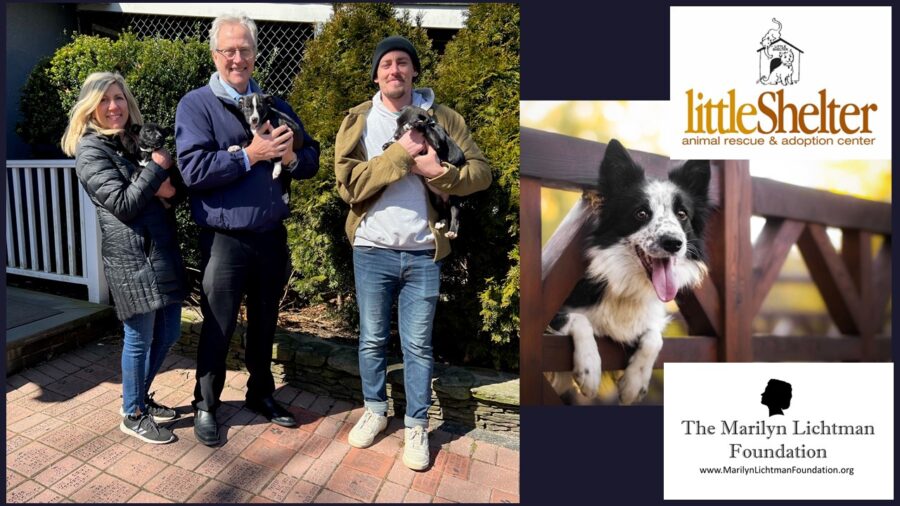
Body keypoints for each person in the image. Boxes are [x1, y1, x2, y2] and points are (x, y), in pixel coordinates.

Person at [335, 35, 492, 470]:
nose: (394, 71)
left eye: (402, 63)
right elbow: (350, 186)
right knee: (370, 340)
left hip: (424, 252)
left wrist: (440, 173)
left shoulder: (443, 117)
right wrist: (400, 157)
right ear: (376, 74)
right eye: (386, 64)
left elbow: (481, 174)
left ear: (414, 71)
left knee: (418, 345)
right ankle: (374, 410)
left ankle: (417, 426)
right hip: (372, 248)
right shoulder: (358, 121)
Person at [175, 14, 319, 446]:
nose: (237, 58)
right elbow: (193, 170)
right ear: (216, 55)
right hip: (225, 239)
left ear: (256, 54)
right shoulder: (196, 105)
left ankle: (260, 394)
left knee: (265, 323)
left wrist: (292, 157)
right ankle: (206, 404)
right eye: (229, 51)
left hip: (270, 236)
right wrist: (250, 155)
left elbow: (310, 158)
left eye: (245, 50)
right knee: (218, 325)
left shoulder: (275, 104)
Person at [62, 72, 187, 444]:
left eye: (118, 98)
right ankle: (132, 413)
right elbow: (123, 204)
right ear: (90, 107)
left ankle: (138, 398)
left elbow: (171, 191)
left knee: (169, 333)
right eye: (104, 100)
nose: (113, 106)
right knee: (139, 338)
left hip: (159, 249)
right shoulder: (90, 151)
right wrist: (156, 170)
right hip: (131, 258)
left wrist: (163, 180)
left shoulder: (129, 141)